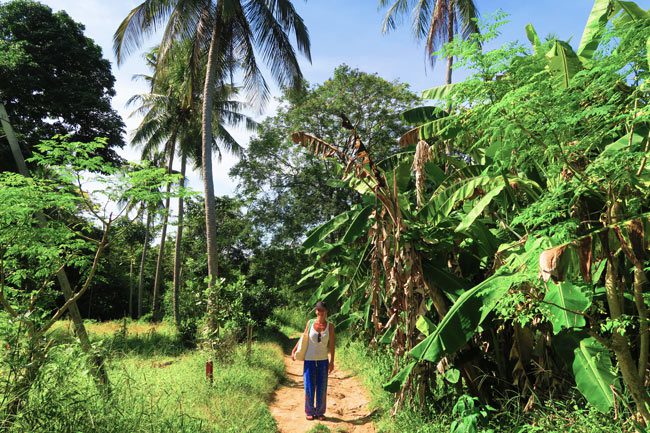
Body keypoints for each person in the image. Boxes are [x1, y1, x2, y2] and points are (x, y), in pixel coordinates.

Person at [291, 300, 335, 421]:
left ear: (326, 312)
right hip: (309, 360)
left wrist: (332, 361)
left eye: (322, 310)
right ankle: (309, 411)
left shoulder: (330, 326)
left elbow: (332, 345)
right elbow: (303, 338)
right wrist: (294, 350)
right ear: (316, 311)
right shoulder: (310, 323)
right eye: (318, 310)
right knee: (309, 386)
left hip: (323, 360)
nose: (320, 312)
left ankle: (320, 412)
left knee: (322, 387)